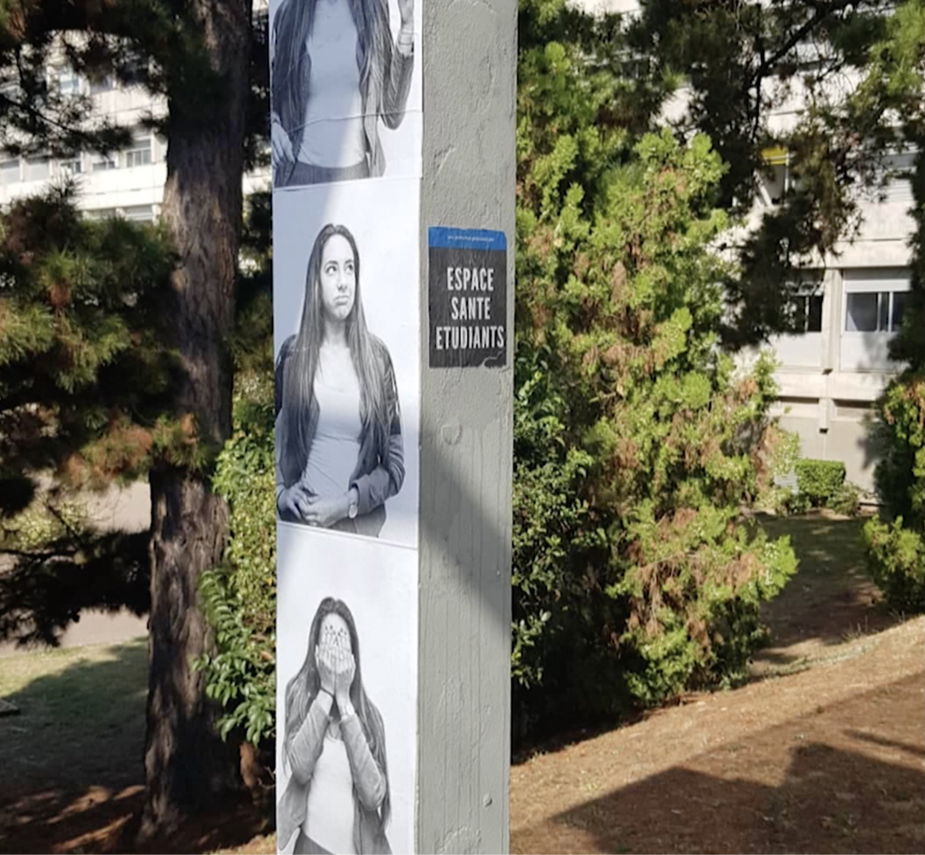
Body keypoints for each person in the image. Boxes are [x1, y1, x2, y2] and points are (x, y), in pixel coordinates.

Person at [275, 224, 404, 538]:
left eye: (350, 268)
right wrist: (281, 494)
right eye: (331, 269)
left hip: (358, 534)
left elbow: (395, 468)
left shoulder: (377, 359)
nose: (343, 282)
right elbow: (275, 440)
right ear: (316, 281)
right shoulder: (293, 356)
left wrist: (348, 503)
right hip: (304, 532)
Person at [278, 598, 392, 855]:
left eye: (342, 638)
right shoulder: (299, 697)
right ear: (316, 650)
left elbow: (372, 795)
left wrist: (343, 700)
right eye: (329, 636)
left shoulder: (370, 717)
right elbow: (300, 768)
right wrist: (327, 691)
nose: (336, 646)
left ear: (353, 654)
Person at [270, 0, 415, 186]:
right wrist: (274, 124)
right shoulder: (289, 12)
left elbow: (392, 115)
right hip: (301, 176)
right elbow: (275, 96)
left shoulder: (373, 9)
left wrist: (407, 26)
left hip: (356, 175)